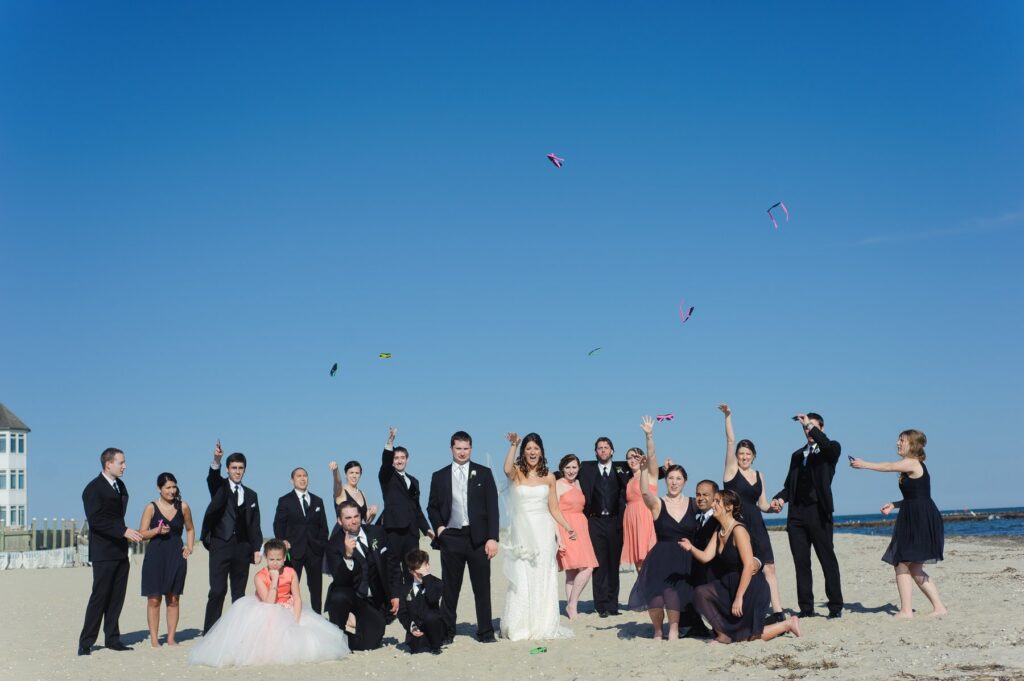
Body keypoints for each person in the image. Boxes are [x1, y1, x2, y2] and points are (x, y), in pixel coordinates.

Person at [188, 539, 349, 666]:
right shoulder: (260, 576)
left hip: (288, 606)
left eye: (279, 559)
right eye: (271, 559)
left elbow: (298, 597)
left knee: (308, 639)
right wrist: (275, 580)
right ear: (266, 557)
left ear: (285, 557)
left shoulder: (291, 572)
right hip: (266, 608)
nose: (275, 563)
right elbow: (269, 603)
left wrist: (296, 619)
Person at [850, 429, 947, 618]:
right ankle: (939, 608)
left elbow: (888, 466)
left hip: (920, 518)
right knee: (913, 566)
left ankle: (906, 610)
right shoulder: (912, 464)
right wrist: (894, 504)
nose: (897, 443)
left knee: (902, 562)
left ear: (912, 444)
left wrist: (864, 464)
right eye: (898, 440)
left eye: (901, 440)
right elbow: (917, 496)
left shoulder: (911, 462)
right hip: (916, 515)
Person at [683, 490, 802, 643]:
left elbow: (748, 566)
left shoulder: (738, 530)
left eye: (717, 502)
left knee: (748, 636)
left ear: (729, 507)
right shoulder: (719, 530)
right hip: (729, 584)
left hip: (751, 587)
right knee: (701, 593)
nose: (712, 504)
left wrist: (739, 597)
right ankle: (723, 635)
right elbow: (706, 557)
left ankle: (788, 624)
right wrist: (690, 547)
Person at [500, 432, 576, 641]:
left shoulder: (550, 477)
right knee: (522, 576)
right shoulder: (517, 472)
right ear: (524, 452)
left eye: (536, 448)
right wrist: (513, 445)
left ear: (541, 451)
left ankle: (542, 624)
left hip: (543, 532)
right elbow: (506, 469)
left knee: (543, 575)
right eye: (528, 448)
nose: (532, 452)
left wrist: (567, 527)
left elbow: (554, 508)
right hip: (522, 533)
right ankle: (521, 625)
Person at [426, 430, 500, 643]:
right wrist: (440, 529)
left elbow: (492, 507)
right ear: (451, 449)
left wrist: (492, 537)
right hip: (451, 538)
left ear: (471, 449)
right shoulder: (439, 476)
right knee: (450, 588)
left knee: (482, 587)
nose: (462, 452)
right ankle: (447, 632)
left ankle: (485, 632)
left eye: (466, 448)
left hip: (479, 539)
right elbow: (432, 507)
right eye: (458, 448)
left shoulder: (484, 473)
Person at [770, 413, 844, 619]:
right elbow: (788, 486)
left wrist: (810, 425)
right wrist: (779, 499)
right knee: (801, 562)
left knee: (827, 559)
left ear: (822, 427)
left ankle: (835, 607)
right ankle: (806, 608)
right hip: (796, 516)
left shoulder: (831, 449)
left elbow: (826, 446)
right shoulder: (796, 455)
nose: (807, 430)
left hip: (819, 513)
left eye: (812, 427)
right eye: (804, 428)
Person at [719, 404, 784, 623]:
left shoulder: (760, 475)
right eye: (741, 453)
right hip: (738, 525)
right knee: (744, 567)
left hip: (757, 524)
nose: (744, 457)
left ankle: (777, 612)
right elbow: (729, 441)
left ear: (754, 456)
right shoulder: (731, 471)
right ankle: (741, 609)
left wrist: (773, 508)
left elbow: (763, 504)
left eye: (748, 454)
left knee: (769, 567)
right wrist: (728, 417)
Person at [78, 448, 143, 655]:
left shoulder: (120, 486)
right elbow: (96, 521)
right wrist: (122, 531)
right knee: (100, 596)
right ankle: (86, 642)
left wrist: (124, 533)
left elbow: (117, 513)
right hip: (103, 552)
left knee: (117, 596)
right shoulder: (93, 489)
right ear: (108, 464)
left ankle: (112, 639)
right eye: (121, 462)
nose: (124, 466)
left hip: (120, 550)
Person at [200, 441, 263, 633]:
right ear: (227, 469)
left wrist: (257, 548)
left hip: (243, 548)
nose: (237, 471)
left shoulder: (251, 495)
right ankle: (211, 630)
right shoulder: (220, 487)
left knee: (239, 593)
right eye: (234, 468)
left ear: (245, 470)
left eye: (240, 468)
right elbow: (212, 478)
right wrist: (216, 460)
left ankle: (237, 631)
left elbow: (255, 524)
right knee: (218, 590)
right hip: (221, 545)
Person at [324, 500, 401, 651]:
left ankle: (343, 639)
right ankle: (336, 635)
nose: (353, 521)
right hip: (350, 596)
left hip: (374, 601)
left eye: (356, 516)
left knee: (370, 643)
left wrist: (395, 594)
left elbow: (393, 565)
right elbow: (340, 580)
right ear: (339, 521)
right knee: (338, 595)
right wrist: (347, 556)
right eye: (348, 518)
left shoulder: (377, 532)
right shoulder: (333, 545)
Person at [575, 434, 631, 618]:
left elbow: (646, 471)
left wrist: (666, 469)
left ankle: (612, 605)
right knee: (598, 564)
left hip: (616, 521)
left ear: (612, 450)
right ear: (595, 452)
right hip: (595, 521)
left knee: (613, 564)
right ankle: (600, 606)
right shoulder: (587, 468)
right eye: (600, 448)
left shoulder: (622, 467)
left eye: (606, 447)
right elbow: (565, 471)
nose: (603, 450)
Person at [139, 472, 195, 647]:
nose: (172, 491)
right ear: (159, 488)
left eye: (174, 487)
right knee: (154, 599)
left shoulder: (183, 507)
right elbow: (141, 534)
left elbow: (190, 529)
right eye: (168, 487)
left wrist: (190, 547)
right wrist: (156, 530)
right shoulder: (151, 507)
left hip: (176, 556)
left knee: (173, 598)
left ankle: (171, 638)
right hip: (155, 555)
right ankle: (155, 639)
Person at [378, 426, 434, 586]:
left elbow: (416, 508)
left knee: (413, 568)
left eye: (402, 457)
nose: (399, 460)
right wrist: (390, 443)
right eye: (396, 458)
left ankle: (412, 604)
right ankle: (395, 604)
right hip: (394, 529)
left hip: (412, 531)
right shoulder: (387, 477)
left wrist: (427, 529)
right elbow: (385, 464)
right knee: (393, 568)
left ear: (407, 459)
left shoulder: (414, 481)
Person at [272, 467, 330, 614]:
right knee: (290, 588)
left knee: (316, 590)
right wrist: (282, 541)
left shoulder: (318, 501)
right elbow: (278, 525)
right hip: (293, 551)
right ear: (292, 480)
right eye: (299, 476)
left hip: (314, 552)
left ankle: (317, 617)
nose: (303, 478)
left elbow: (324, 527)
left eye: (305, 476)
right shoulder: (285, 501)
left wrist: (321, 544)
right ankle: (289, 617)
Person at [555, 453, 599, 620]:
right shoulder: (558, 485)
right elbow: (554, 511)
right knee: (586, 567)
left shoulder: (580, 484)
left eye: (574, 467)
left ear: (579, 468)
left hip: (582, 527)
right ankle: (572, 605)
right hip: (566, 528)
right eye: (568, 467)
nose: (571, 471)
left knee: (575, 571)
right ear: (562, 469)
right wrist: (558, 537)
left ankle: (571, 607)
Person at [621, 418, 661, 571]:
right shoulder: (629, 479)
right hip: (631, 519)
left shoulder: (650, 474)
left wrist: (649, 435)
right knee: (639, 563)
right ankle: (643, 593)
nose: (633, 460)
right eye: (629, 457)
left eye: (636, 456)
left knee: (649, 558)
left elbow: (652, 455)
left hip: (646, 516)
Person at [397, 549, 445, 654]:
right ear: (410, 571)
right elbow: (402, 612)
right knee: (419, 649)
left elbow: (432, 599)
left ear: (428, 565)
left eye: (421, 568)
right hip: (417, 632)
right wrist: (411, 626)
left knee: (431, 616)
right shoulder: (405, 589)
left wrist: (426, 576)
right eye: (415, 570)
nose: (419, 574)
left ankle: (436, 645)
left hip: (434, 631)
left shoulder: (438, 583)